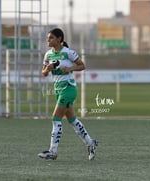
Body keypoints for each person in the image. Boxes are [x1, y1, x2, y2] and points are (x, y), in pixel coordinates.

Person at [38, 28, 98, 161]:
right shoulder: (48, 55)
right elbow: (44, 73)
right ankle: (90, 143)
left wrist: (70, 68)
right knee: (72, 120)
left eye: (51, 38)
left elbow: (82, 66)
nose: (48, 40)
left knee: (55, 119)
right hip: (58, 89)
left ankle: (52, 151)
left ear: (59, 39)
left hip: (69, 89)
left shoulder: (68, 53)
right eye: (48, 38)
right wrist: (48, 69)